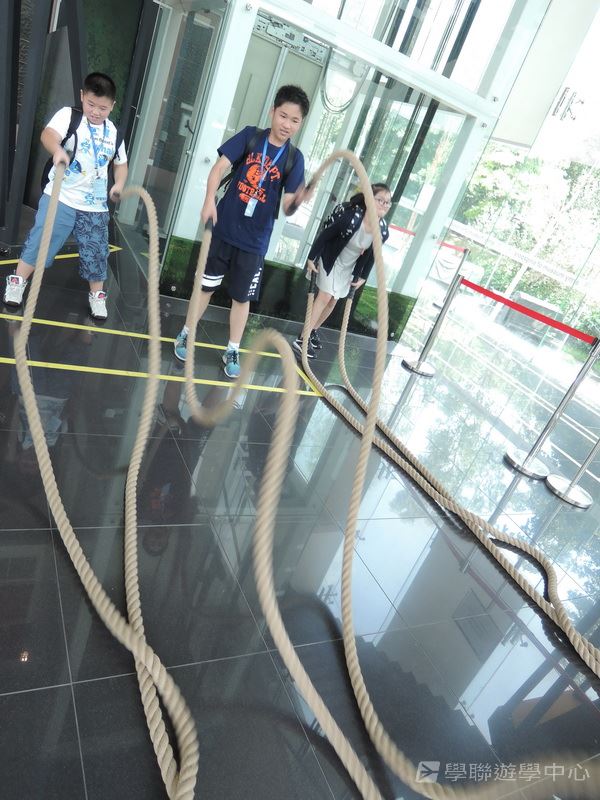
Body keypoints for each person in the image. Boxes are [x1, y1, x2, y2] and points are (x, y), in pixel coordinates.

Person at [173, 84, 314, 378]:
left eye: (295, 120)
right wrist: (209, 200)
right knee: (205, 286)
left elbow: (288, 207)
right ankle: (187, 333)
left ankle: (233, 349)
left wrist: (300, 200)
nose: (287, 125)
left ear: (300, 123)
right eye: (283, 116)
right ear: (272, 112)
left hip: (255, 241)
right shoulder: (251, 136)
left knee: (242, 298)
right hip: (224, 228)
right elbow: (219, 168)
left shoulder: (294, 158)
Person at [3, 72, 128, 320]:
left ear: (112, 106)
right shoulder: (70, 116)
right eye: (91, 104)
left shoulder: (114, 132)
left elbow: (120, 163)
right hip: (61, 197)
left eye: (103, 108)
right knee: (41, 240)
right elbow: (48, 135)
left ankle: (97, 296)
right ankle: (17, 281)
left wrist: (119, 184)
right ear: (82, 96)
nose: (96, 112)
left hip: (95, 207)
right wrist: (58, 150)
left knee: (96, 253)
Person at [293, 183, 391, 359]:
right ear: (369, 199)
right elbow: (325, 235)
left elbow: (373, 255)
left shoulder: (382, 231)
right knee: (325, 296)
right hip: (331, 258)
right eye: (380, 200)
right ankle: (302, 339)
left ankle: (313, 330)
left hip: (348, 266)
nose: (384, 205)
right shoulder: (352, 217)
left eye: (387, 202)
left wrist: (363, 276)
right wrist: (311, 258)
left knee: (333, 301)